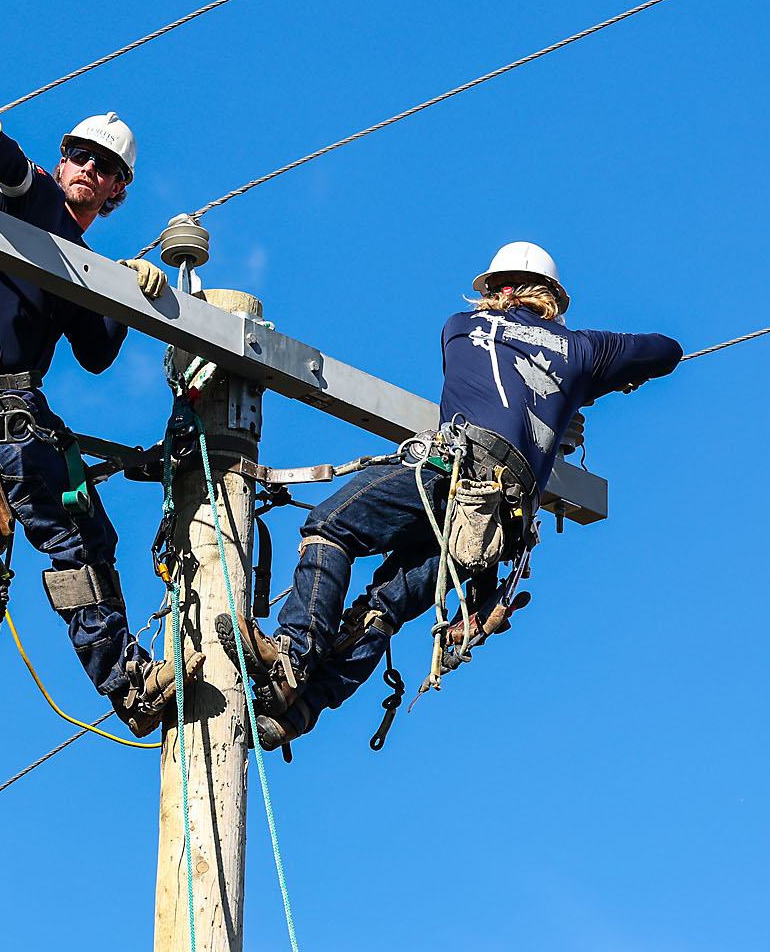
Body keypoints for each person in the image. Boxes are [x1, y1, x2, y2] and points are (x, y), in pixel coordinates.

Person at [218, 241, 682, 750]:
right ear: (552, 298)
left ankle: (293, 656)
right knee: (385, 606)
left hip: (447, 472)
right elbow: (665, 350)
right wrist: (605, 380)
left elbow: (497, 372)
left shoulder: (460, 328)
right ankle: (301, 709)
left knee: (332, 527)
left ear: (495, 290)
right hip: (494, 527)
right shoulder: (583, 351)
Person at [0, 90, 199, 737]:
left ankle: (133, 687)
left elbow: (97, 351)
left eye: (105, 168)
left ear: (116, 191)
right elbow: (12, 168)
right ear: (63, 159)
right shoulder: (36, 203)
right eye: (79, 156)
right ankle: (128, 680)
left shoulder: (80, 261)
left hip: (4, 418)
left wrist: (127, 291)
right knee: (78, 537)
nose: (88, 171)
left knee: (94, 538)